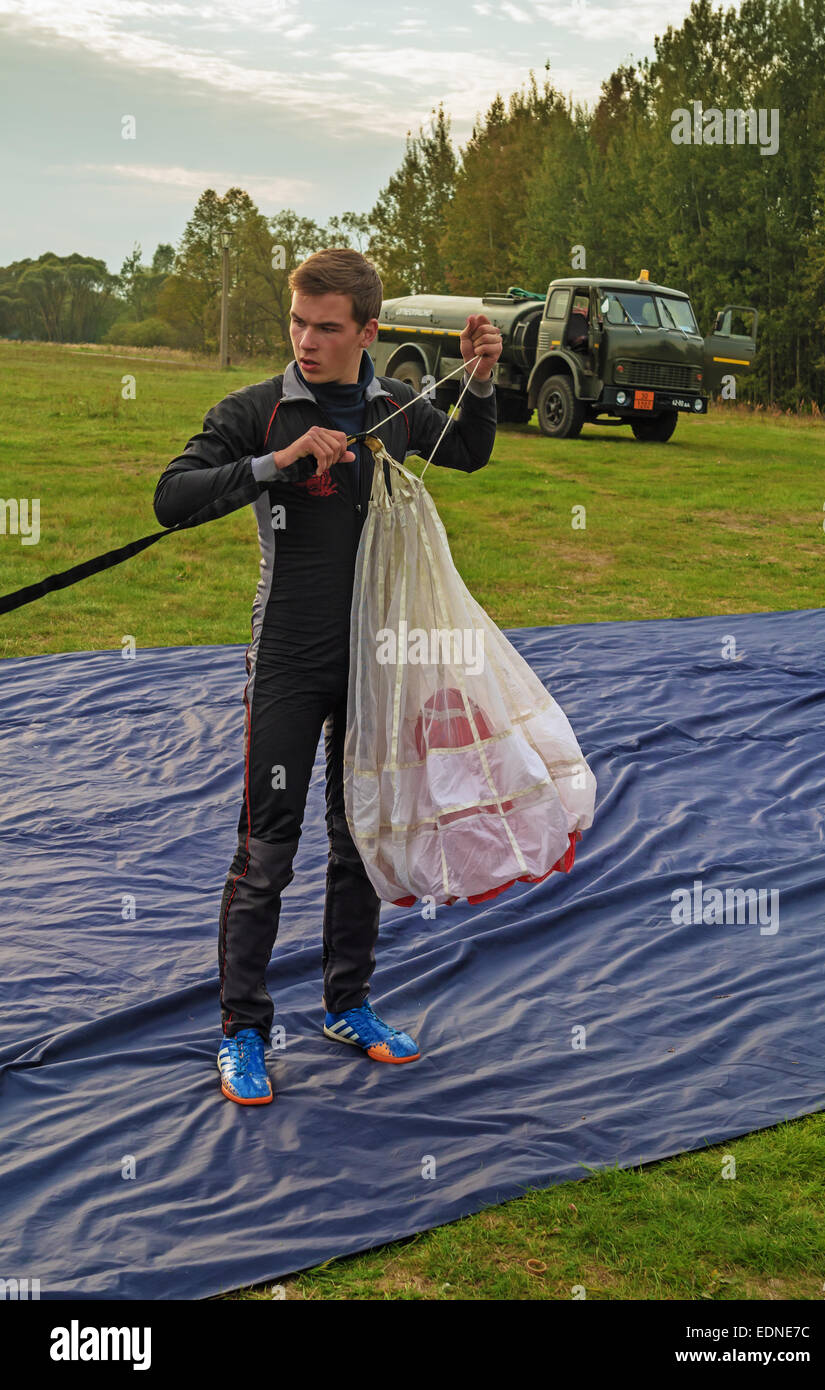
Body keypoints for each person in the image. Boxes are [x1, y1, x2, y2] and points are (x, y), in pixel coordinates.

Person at [152, 246, 503, 1104]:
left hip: (374, 665)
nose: (306, 341)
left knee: (358, 840)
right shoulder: (259, 410)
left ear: (368, 332)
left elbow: (469, 450)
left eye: (326, 327)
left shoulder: (394, 407)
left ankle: (348, 1005)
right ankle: (242, 1028)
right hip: (288, 662)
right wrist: (277, 463)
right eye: (298, 323)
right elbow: (172, 497)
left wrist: (483, 380)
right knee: (267, 850)